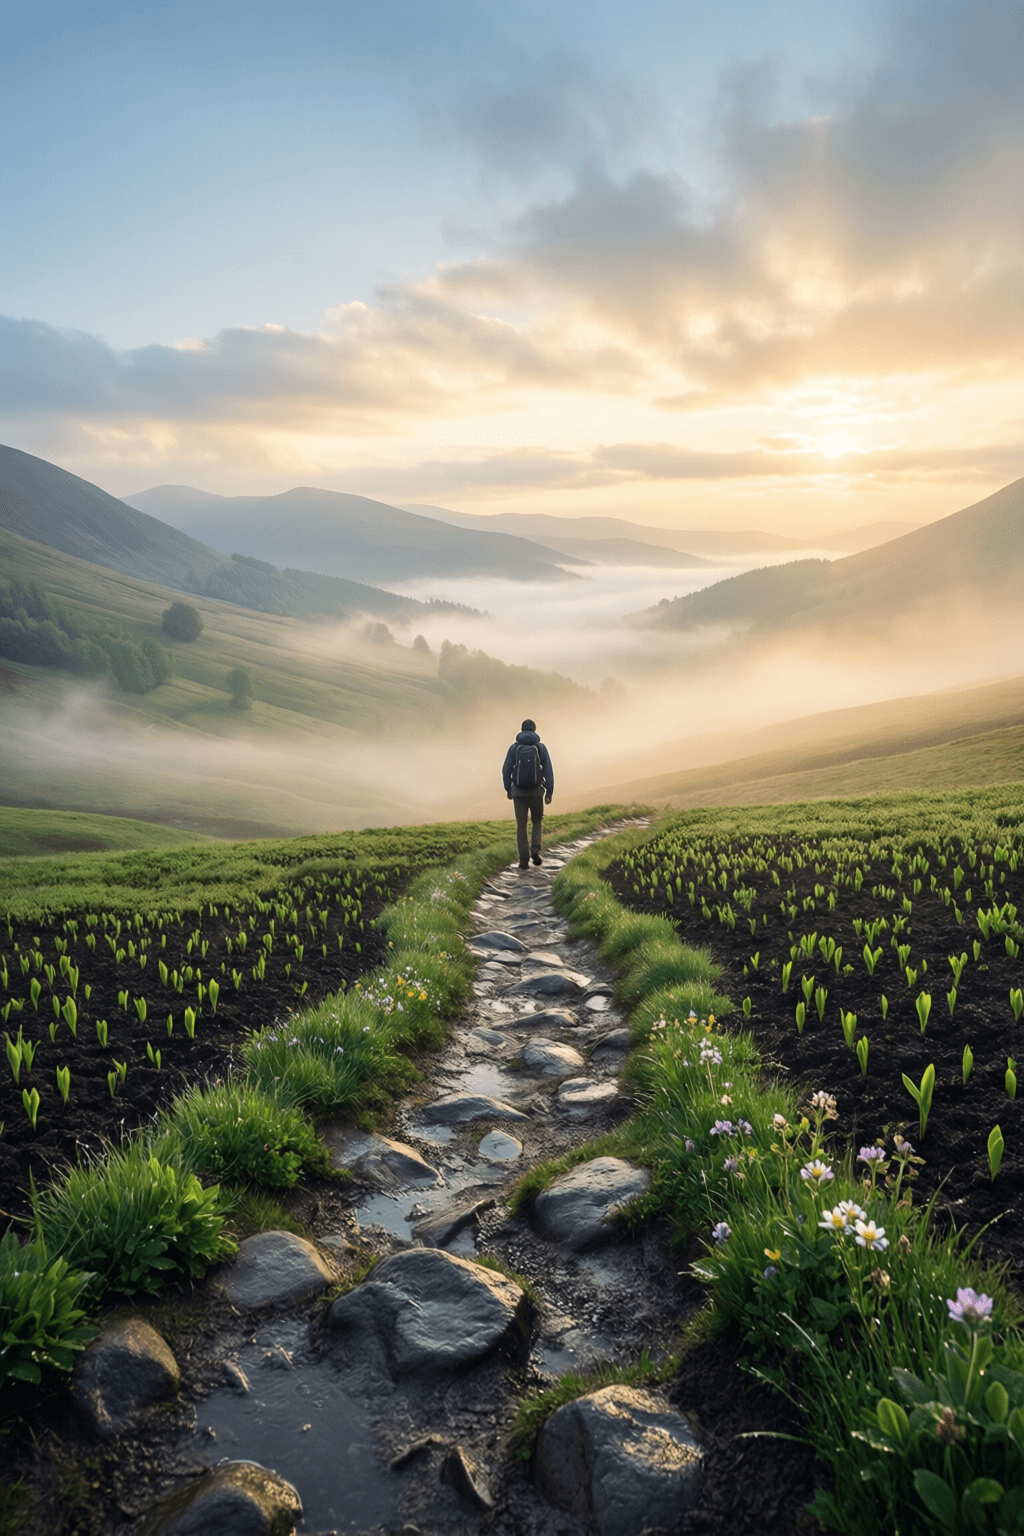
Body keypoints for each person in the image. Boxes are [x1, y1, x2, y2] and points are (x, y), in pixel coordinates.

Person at [502, 718, 553, 869]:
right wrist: (549, 791)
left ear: (522, 729)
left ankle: (523, 860)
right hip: (537, 792)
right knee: (537, 821)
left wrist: (509, 789)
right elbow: (548, 771)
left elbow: (505, 771)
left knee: (521, 825)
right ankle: (535, 850)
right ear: (534, 730)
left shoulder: (514, 748)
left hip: (518, 793)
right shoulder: (540, 747)